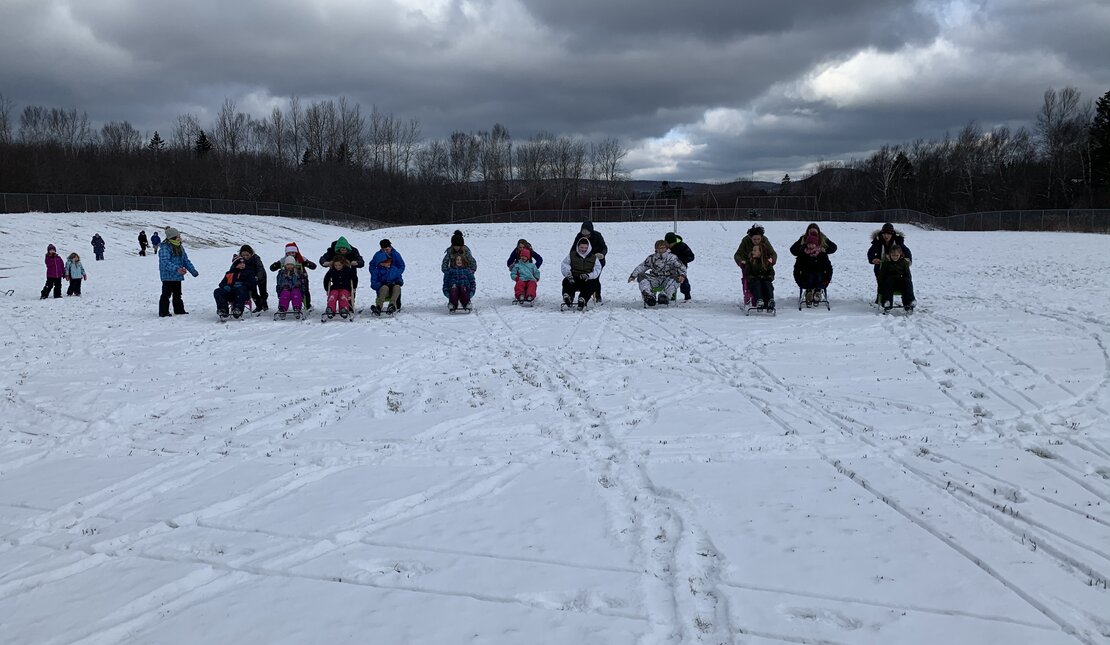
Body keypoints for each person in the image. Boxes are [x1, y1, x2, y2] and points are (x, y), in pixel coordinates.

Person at [628, 239, 687, 307]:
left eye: (663, 248)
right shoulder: (651, 258)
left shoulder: (672, 258)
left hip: (668, 278)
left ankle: (664, 296)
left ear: (666, 248)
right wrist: (633, 276)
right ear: (656, 249)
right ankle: (649, 296)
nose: (661, 250)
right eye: (659, 248)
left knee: (677, 278)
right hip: (655, 278)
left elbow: (681, 267)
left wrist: (682, 275)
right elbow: (642, 266)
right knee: (641, 276)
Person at [158, 227, 199, 317]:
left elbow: (185, 260)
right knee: (166, 294)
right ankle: (163, 312)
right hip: (168, 276)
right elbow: (165, 262)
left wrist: (193, 271)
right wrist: (177, 269)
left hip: (177, 275)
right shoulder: (165, 248)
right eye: (178, 236)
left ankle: (179, 310)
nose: (180, 237)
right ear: (173, 237)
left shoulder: (180, 247)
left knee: (177, 294)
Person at [790, 227, 834, 306]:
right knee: (809, 275)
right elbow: (796, 268)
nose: (810, 246)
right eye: (809, 244)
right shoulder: (803, 254)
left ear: (816, 244)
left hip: (819, 278)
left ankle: (817, 293)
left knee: (818, 275)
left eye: (813, 244)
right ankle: (809, 293)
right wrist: (798, 280)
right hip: (806, 278)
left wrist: (828, 278)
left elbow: (829, 268)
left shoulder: (822, 254)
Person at [734, 225, 777, 307]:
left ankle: (769, 300)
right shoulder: (746, 240)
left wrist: (772, 260)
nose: (757, 241)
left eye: (758, 239)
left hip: (763, 263)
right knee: (754, 284)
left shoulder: (765, 240)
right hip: (750, 263)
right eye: (754, 239)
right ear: (750, 238)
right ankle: (754, 298)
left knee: (767, 284)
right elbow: (737, 254)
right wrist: (741, 262)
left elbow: (773, 253)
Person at [271, 242, 317, 310]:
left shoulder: (300, 258)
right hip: (286, 278)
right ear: (286, 253)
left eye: (293, 253)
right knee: (285, 292)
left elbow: (313, 266)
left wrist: (307, 263)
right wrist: (276, 266)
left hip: (300, 278)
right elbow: (272, 268)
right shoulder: (284, 260)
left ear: (295, 252)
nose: (291, 255)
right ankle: (283, 306)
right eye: (289, 253)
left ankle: (307, 305)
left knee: (305, 290)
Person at [561, 237, 602, 310]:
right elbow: (565, 265)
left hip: (586, 279)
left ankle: (582, 299)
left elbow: (597, 269)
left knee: (593, 284)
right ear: (578, 246)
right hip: (574, 278)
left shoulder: (593, 258)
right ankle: (568, 297)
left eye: (585, 248)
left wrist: (588, 276)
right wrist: (568, 274)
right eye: (581, 247)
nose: (583, 249)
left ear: (588, 247)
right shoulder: (572, 255)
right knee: (566, 281)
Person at [319, 236, 365, 303]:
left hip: (349, 271)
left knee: (351, 284)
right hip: (335, 271)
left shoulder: (353, 251)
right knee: (331, 281)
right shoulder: (332, 250)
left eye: (345, 249)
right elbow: (323, 259)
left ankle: (350, 303)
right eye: (341, 249)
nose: (343, 250)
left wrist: (357, 263)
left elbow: (361, 262)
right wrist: (325, 262)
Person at [867, 222, 912, 289]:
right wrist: (873, 259)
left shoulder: (897, 241)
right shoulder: (878, 240)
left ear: (892, 234)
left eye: (888, 234)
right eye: (884, 234)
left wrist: (908, 259)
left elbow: (906, 250)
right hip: (881, 263)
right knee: (879, 274)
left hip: (895, 262)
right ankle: (880, 293)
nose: (886, 236)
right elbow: (870, 252)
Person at [571, 222, 607, 302]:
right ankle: (573, 293)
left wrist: (602, 254)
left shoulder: (597, 236)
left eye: (587, 235)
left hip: (597, 260)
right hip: (582, 260)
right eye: (584, 235)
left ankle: (597, 295)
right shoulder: (579, 236)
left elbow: (604, 247)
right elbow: (573, 249)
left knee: (595, 277)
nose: (585, 237)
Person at [213, 253, 256, 319]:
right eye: (240, 263)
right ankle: (223, 309)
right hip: (230, 293)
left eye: (243, 263)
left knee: (241, 289)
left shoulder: (249, 272)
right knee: (217, 291)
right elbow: (221, 284)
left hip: (243, 294)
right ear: (235, 265)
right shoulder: (229, 273)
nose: (242, 264)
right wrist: (226, 286)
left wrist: (242, 284)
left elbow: (253, 283)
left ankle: (237, 309)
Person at [369, 239, 405, 315]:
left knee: (397, 287)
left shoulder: (395, 254)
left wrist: (397, 273)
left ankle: (393, 305)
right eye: (383, 249)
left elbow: (401, 265)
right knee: (384, 288)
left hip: (393, 276)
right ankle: (379, 306)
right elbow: (372, 265)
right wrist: (375, 274)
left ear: (390, 247)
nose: (385, 251)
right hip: (382, 280)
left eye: (387, 249)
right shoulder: (378, 255)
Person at [878, 245, 915, 312]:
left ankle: (909, 303)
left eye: (897, 255)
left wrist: (908, 281)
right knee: (888, 282)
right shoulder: (886, 263)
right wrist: (881, 284)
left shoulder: (904, 262)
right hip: (889, 283)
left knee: (907, 281)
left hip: (900, 282)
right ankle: (887, 303)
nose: (895, 257)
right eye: (893, 255)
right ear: (890, 254)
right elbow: (881, 275)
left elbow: (908, 275)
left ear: (900, 254)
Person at [237, 244, 269, 312]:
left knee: (262, 292)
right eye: (243, 255)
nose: (245, 257)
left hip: (261, 277)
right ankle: (259, 306)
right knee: (253, 294)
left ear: (251, 253)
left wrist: (257, 277)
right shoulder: (240, 260)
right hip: (250, 279)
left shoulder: (256, 258)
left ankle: (264, 304)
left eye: (247, 255)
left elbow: (260, 269)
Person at [745, 243, 777, 311]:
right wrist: (752, 278)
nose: (752, 252)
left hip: (765, 280)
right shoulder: (750, 262)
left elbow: (771, 272)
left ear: (761, 252)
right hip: (754, 282)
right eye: (753, 250)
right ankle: (759, 301)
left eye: (755, 250)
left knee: (768, 285)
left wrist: (769, 277)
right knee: (757, 285)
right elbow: (747, 273)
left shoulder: (767, 262)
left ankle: (770, 301)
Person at [664, 232, 695, 300]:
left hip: (680, 268)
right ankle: (671, 295)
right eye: (668, 244)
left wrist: (681, 260)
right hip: (668, 269)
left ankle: (687, 295)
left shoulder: (682, 246)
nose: (669, 246)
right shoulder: (664, 247)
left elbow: (691, 257)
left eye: (671, 244)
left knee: (683, 281)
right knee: (669, 281)